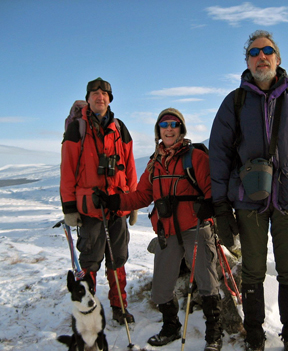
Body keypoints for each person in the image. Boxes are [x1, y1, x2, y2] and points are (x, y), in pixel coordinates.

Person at [209, 30, 288, 351]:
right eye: (254, 52)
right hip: (248, 201)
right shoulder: (234, 102)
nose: (261, 56)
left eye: (267, 51)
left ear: (278, 58)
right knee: (252, 271)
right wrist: (220, 207)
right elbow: (218, 155)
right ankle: (255, 337)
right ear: (247, 61)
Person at [92, 108, 223, 351]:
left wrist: (209, 206)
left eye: (174, 124)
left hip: (195, 226)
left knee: (207, 280)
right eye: (164, 125)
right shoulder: (154, 164)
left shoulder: (195, 158)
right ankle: (171, 326)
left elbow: (212, 189)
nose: (169, 128)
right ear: (158, 131)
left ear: (181, 129)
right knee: (162, 286)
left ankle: (214, 333)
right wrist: (114, 201)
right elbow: (141, 196)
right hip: (167, 230)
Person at [60, 77, 138, 325]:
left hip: (116, 207)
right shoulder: (78, 129)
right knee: (90, 262)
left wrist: (132, 201)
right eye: (94, 93)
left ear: (109, 99)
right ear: (88, 98)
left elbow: (130, 166)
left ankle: (119, 307)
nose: (99, 97)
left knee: (118, 260)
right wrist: (69, 208)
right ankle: (88, 311)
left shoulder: (119, 128)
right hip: (90, 210)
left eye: (103, 93)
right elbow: (68, 169)